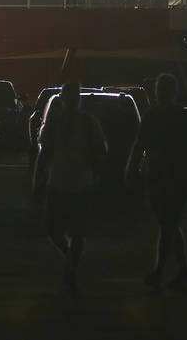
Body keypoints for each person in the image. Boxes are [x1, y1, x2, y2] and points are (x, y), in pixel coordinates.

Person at [126, 73, 187, 291]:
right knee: (169, 223)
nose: (160, 94)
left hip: (170, 175)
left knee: (168, 223)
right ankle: (183, 270)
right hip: (170, 175)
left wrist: (131, 168)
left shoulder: (158, 116)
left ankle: (159, 270)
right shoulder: (176, 117)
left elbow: (139, 146)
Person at [33, 82, 108, 292]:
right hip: (69, 183)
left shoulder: (81, 123)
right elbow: (101, 151)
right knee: (67, 231)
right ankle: (71, 262)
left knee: (68, 231)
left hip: (70, 183)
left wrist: (37, 180)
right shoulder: (75, 123)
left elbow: (44, 153)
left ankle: (71, 265)